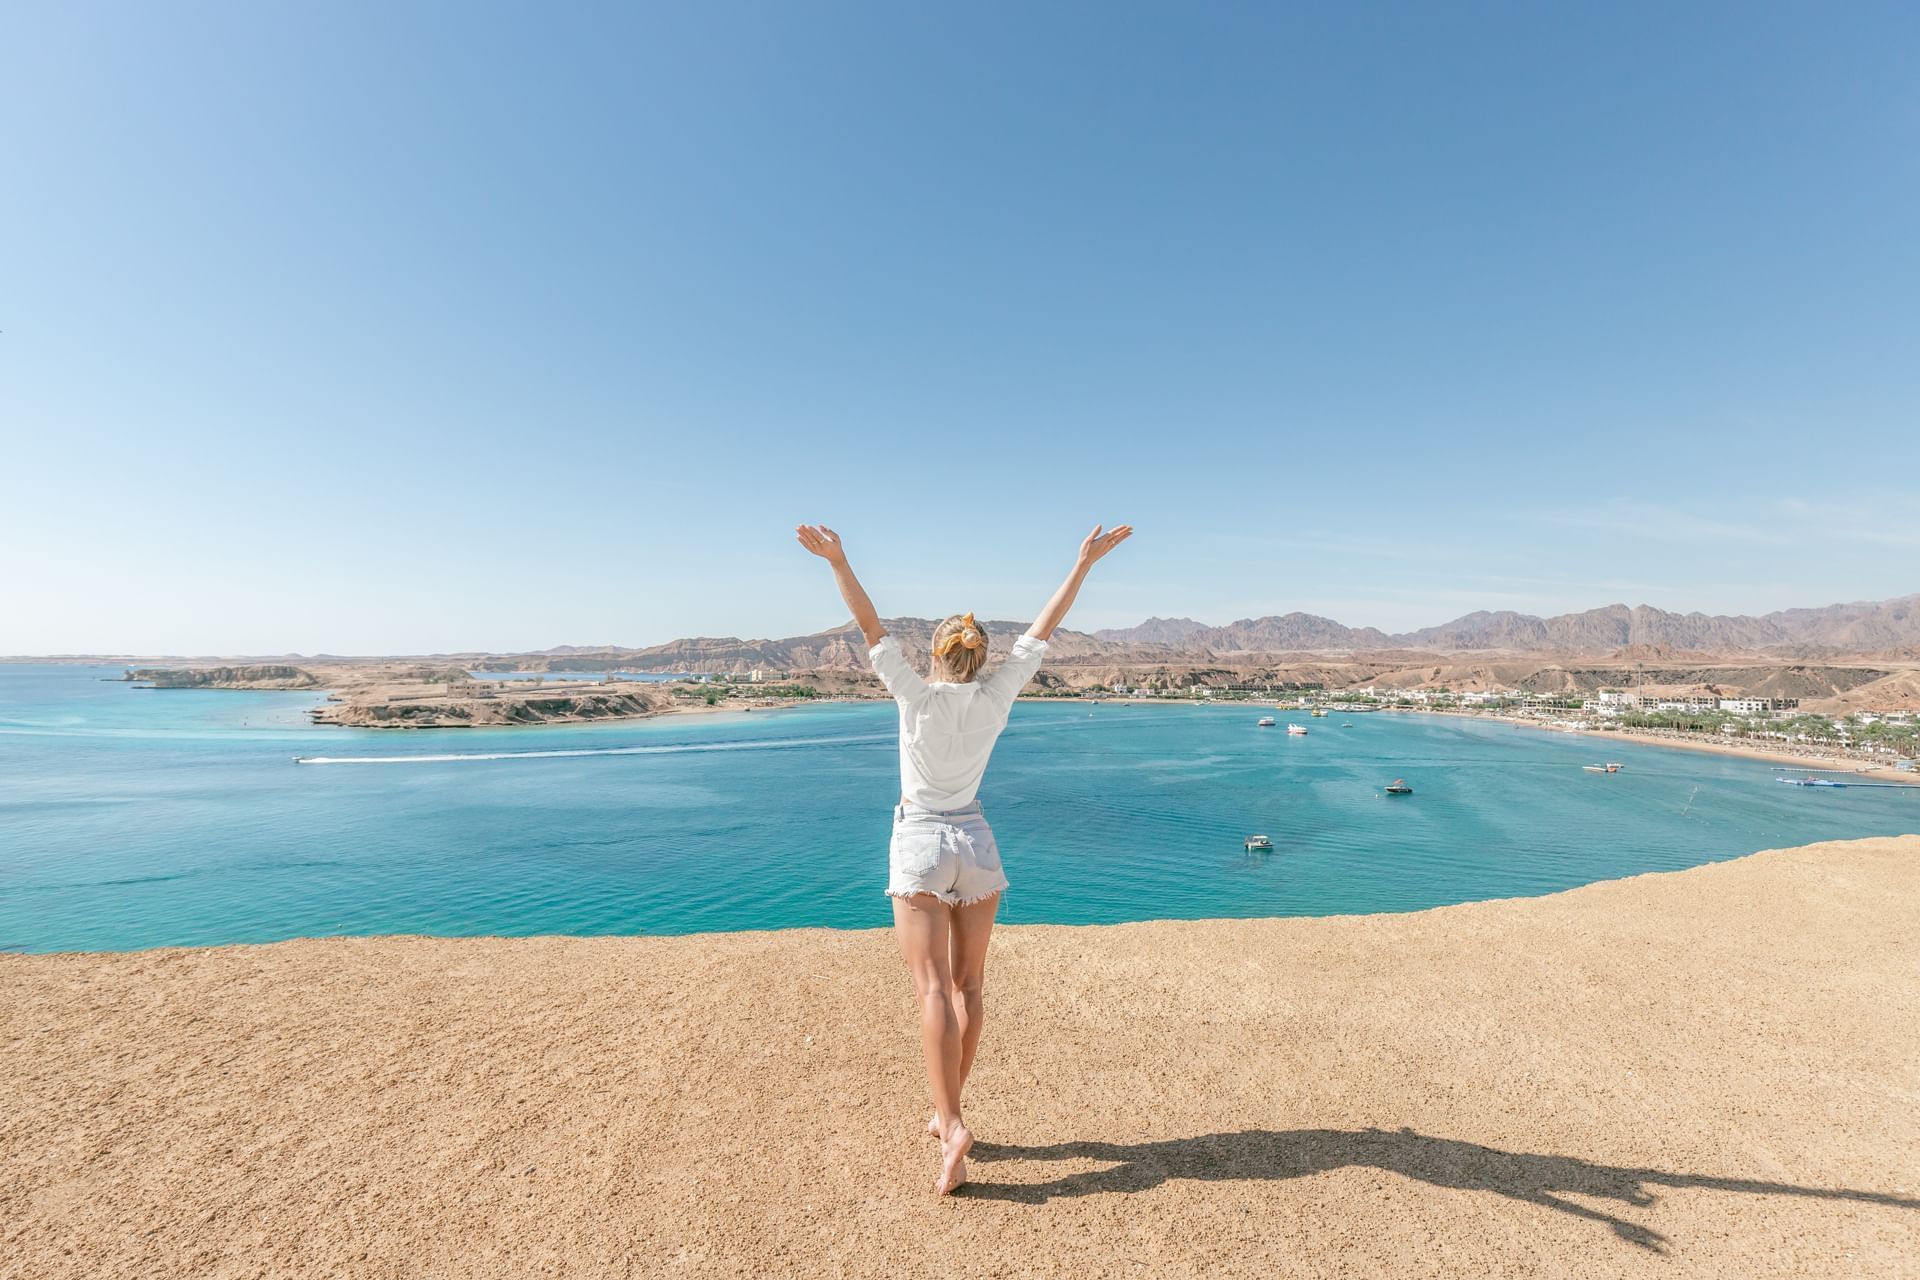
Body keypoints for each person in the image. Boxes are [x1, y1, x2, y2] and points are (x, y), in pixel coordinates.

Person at [796, 521, 1133, 1195]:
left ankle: (951, 1126)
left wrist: (838, 559)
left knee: (929, 989)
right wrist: (1083, 565)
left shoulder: (914, 696)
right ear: (981, 659)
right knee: (968, 988)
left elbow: (866, 624)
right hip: (976, 844)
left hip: (921, 840)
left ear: (937, 655)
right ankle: (948, 1108)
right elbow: (1046, 626)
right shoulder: (997, 695)